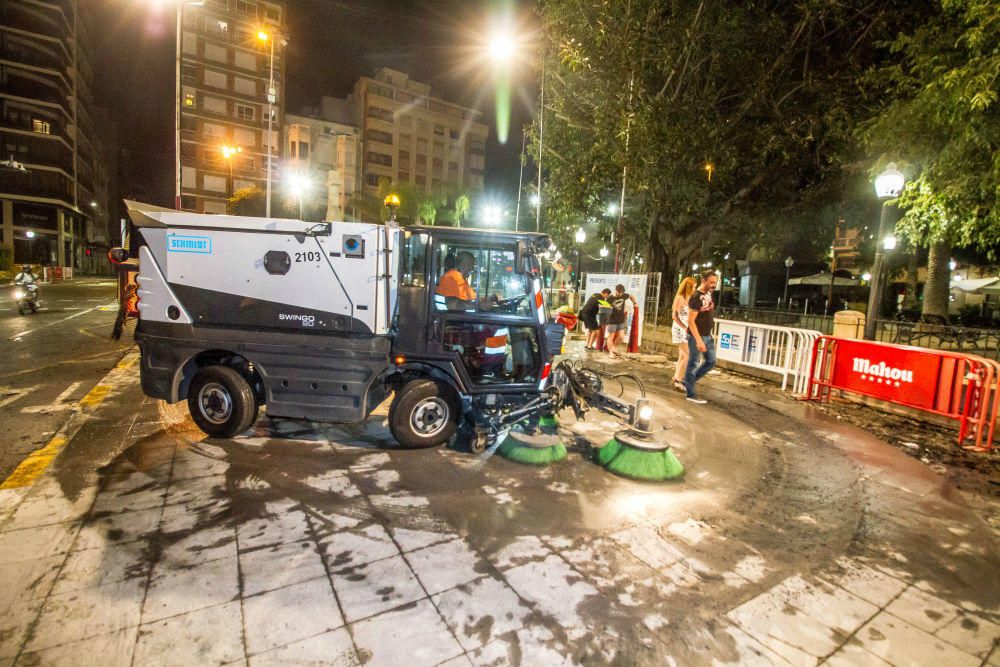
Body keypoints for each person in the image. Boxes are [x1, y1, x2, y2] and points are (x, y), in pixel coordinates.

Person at [684, 270, 719, 404]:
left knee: (711, 361)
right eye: (711, 282)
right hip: (696, 336)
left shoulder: (708, 294)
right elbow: (691, 321)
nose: (713, 285)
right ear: (703, 280)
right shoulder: (696, 297)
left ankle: (689, 381)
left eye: (715, 282)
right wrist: (698, 340)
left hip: (707, 335)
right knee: (692, 363)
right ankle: (690, 394)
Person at [671, 277, 697, 392]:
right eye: (694, 287)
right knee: (687, 355)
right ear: (688, 287)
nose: (695, 289)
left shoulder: (688, 298)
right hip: (680, 328)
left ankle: (677, 378)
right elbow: (674, 316)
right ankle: (678, 379)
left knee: (682, 355)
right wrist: (684, 327)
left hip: (685, 328)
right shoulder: (680, 298)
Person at [605, 284, 633, 358]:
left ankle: (613, 347)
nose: (621, 294)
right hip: (612, 320)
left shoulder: (624, 295)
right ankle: (610, 352)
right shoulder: (610, 298)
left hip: (621, 319)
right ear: (616, 291)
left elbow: (631, 296)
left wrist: (635, 303)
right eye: (619, 292)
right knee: (611, 336)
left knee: (621, 337)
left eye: (622, 292)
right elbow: (605, 308)